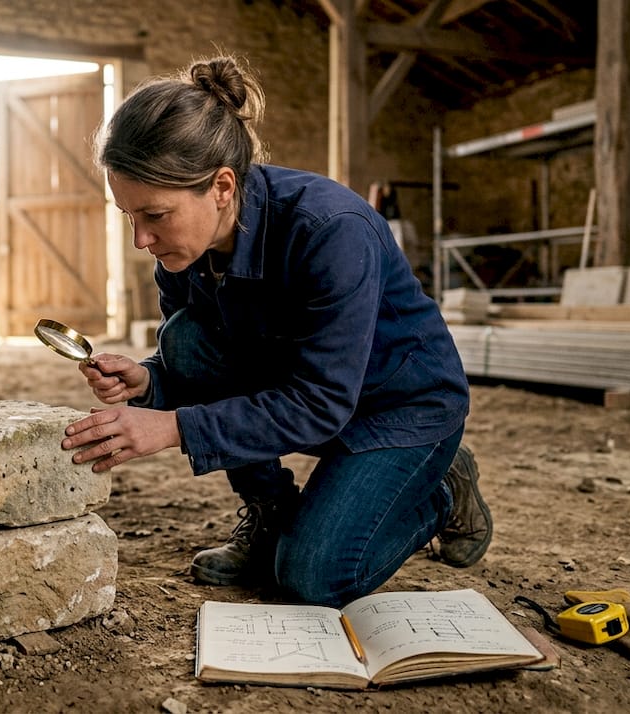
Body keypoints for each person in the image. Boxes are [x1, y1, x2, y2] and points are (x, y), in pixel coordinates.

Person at [59, 56, 491, 608]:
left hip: (399, 408)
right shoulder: (180, 252)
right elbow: (204, 363)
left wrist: (168, 428)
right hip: (310, 393)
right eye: (129, 216)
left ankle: (442, 490)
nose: (140, 240)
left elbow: (320, 400)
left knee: (313, 578)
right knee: (183, 341)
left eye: (156, 215)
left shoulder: (331, 231)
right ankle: (271, 513)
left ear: (221, 186)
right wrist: (148, 381)